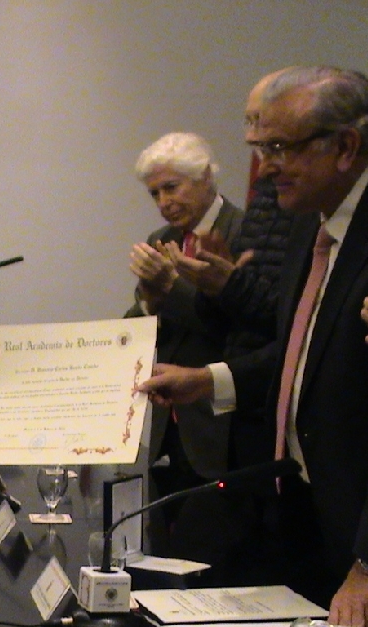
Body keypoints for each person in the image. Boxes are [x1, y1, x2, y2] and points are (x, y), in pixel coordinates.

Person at [141, 66, 368, 627]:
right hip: (307, 516)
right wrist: (209, 380)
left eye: (279, 148)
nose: (265, 168)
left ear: (344, 146)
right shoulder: (310, 220)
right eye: (259, 147)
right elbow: (305, 355)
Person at [123, 132, 243, 568]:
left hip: (219, 420)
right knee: (160, 554)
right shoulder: (161, 238)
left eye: (171, 188)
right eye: (155, 193)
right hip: (165, 422)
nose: (164, 203)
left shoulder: (243, 233)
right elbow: (140, 323)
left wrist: (170, 288)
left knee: (209, 555)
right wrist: (149, 302)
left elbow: (231, 325)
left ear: (206, 177)